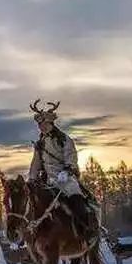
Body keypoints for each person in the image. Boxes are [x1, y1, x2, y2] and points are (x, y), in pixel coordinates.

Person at [27, 99, 96, 238]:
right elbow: (36, 163)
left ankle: (86, 231)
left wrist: (68, 169)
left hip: (65, 177)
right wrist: (31, 179)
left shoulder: (64, 139)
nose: (42, 127)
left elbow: (71, 155)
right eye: (40, 125)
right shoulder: (40, 144)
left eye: (44, 124)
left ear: (51, 123)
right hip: (47, 180)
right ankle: (30, 235)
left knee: (76, 198)